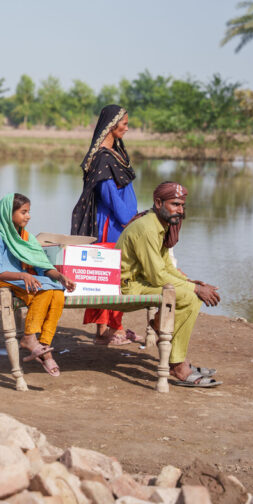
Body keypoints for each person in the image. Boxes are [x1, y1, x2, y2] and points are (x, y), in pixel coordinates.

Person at [116, 181, 222, 387]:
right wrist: (195, 289)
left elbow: (166, 267)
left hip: (141, 282)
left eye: (182, 206)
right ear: (158, 202)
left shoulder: (159, 225)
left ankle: (172, 351)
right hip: (127, 286)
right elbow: (157, 276)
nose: (180, 211)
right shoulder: (147, 229)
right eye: (175, 204)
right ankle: (177, 364)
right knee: (191, 296)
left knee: (191, 294)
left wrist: (190, 281)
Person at [70, 104, 141, 346]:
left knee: (117, 275)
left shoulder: (114, 152)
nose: (127, 128)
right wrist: (128, 219)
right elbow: (109, 194)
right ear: (112, 125)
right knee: (108, 275)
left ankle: (112, 328)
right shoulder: (102, 157)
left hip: (123, 222)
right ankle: (108, 330)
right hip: (111, 224)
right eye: (124, 123)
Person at [0, 193, 76, 377]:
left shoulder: (27, 237)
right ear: (8, 214)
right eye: (23, 212)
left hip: (25, 280)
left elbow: (43, 266)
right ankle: (29, 338)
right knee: (45, 291)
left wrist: (60, 276)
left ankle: (43, 345)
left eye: (28, 212)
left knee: (57, 291)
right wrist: (22, 275)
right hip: (6, 281)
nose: (28, 216)